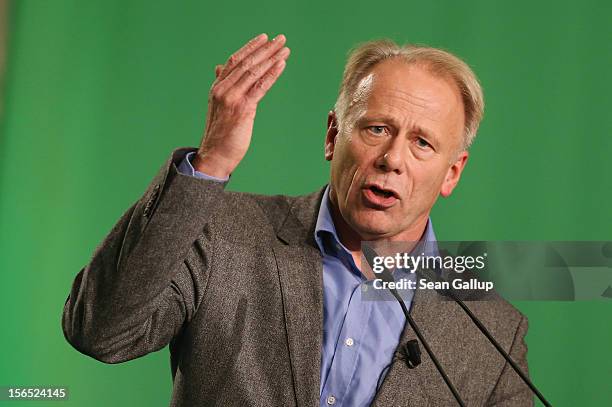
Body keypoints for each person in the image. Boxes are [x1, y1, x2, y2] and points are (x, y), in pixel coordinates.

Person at [62, 33, 532, 406]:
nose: (392, 159)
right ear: (333, 135)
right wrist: (211, 164)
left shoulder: (491, 329)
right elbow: (102, 332)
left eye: (422, 143)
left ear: (452, 173)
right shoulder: (221, 230)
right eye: (377, 128)